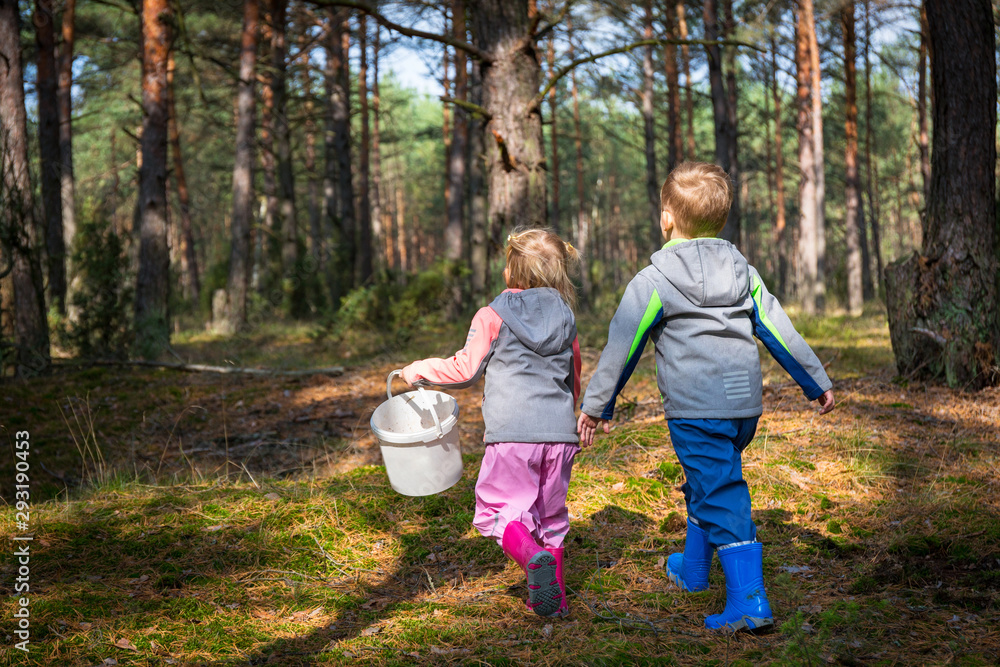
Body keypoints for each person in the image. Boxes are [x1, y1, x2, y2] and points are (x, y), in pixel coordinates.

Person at [577, 161, 835, 633]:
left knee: (721, 491)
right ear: (721, 218)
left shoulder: (654, 280)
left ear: (666, 218)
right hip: (743, 408)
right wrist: (815, 380)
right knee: (708, 480)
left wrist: (597, 406)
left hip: (697, 410)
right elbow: (777, 327)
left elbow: (622, 345)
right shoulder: (742, 270)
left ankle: (750, 603)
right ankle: (694, 570)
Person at [401, 228, 582, 618]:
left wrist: (420, 369)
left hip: (512, 436)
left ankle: (532, 558)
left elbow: (465, 369)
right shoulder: (566, 315)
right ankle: (555, 601)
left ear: (512, 271)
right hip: (560, 433)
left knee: (498, 510)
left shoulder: (492, 314)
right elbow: (574, 374)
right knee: (551, 518)